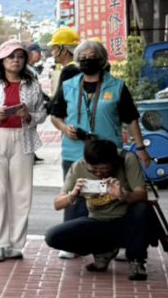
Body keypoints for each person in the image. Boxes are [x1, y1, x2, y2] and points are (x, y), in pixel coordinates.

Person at [49, 39, 151, 222]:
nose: (87, 60)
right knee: (76, 195)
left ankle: (109, 239)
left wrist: (141, 148)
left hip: (109, 153)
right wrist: (64, 128)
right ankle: (74, 241)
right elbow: (55, 116)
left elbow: (131, 119)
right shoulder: (69, 86)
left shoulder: (117, 86)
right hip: (75, 151)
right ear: (78, 61)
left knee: (109, 195)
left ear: (102, 60)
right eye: (83, 57)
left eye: (92, 57)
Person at [0, 40, 49, 262]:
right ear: (1, 61)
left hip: (23, 140)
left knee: (21, 192)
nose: (15, 61)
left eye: (19, 56)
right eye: (10, 57)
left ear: (25, 60)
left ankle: (16, 244)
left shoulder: (33, 85)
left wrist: (29, 117)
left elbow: (41, 114)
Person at [45, 137, 155, 280]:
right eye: (94, 170)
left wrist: (124, 195)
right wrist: (72, 196)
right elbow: (57, 204)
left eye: (104, 170)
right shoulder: (78, 167)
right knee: (53, 236)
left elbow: (142, 194)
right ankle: (103, 250)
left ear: (114, 163)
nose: (99, 174)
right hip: (97, 221)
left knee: (142, 208)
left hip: (125, 221)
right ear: (86, 162)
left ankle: (136, 261)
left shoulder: (127, 159)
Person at [47, 26, 80, 97]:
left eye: (54, 49)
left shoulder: (69, 71)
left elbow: (59, 103)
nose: (52, 53)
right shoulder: (79, 67)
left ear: (64, 50)